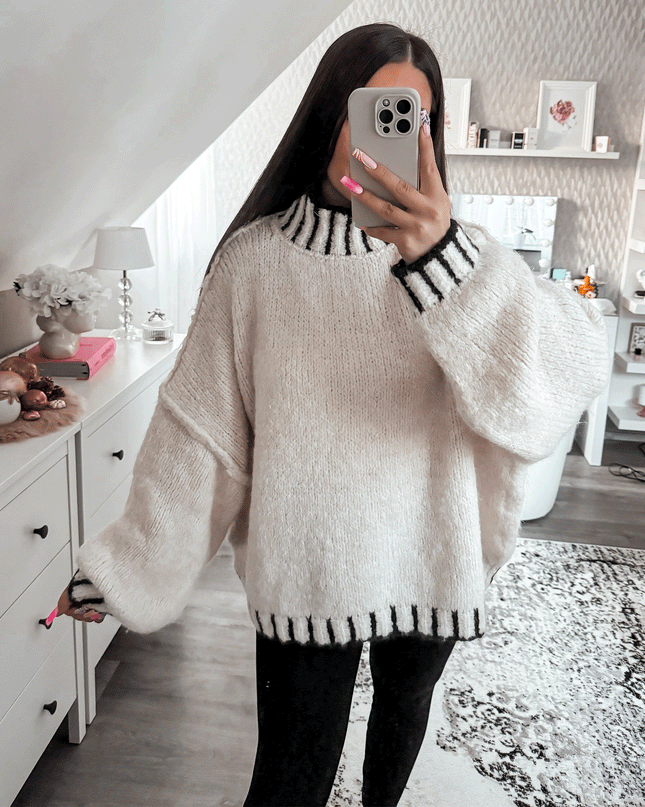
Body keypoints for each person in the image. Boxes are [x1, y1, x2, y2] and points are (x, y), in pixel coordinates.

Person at [55, 23, 609, 807]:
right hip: (309, 567)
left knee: (401, 721)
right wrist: (123, 569)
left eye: (416, 117)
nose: (396, 132)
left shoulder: (467, 257)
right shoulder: (254, 264)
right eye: (376, 111)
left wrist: (440, 258)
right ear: (329, 116)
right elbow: (200, 436)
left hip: (430, 548)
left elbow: (558, 368)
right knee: (291, 773)